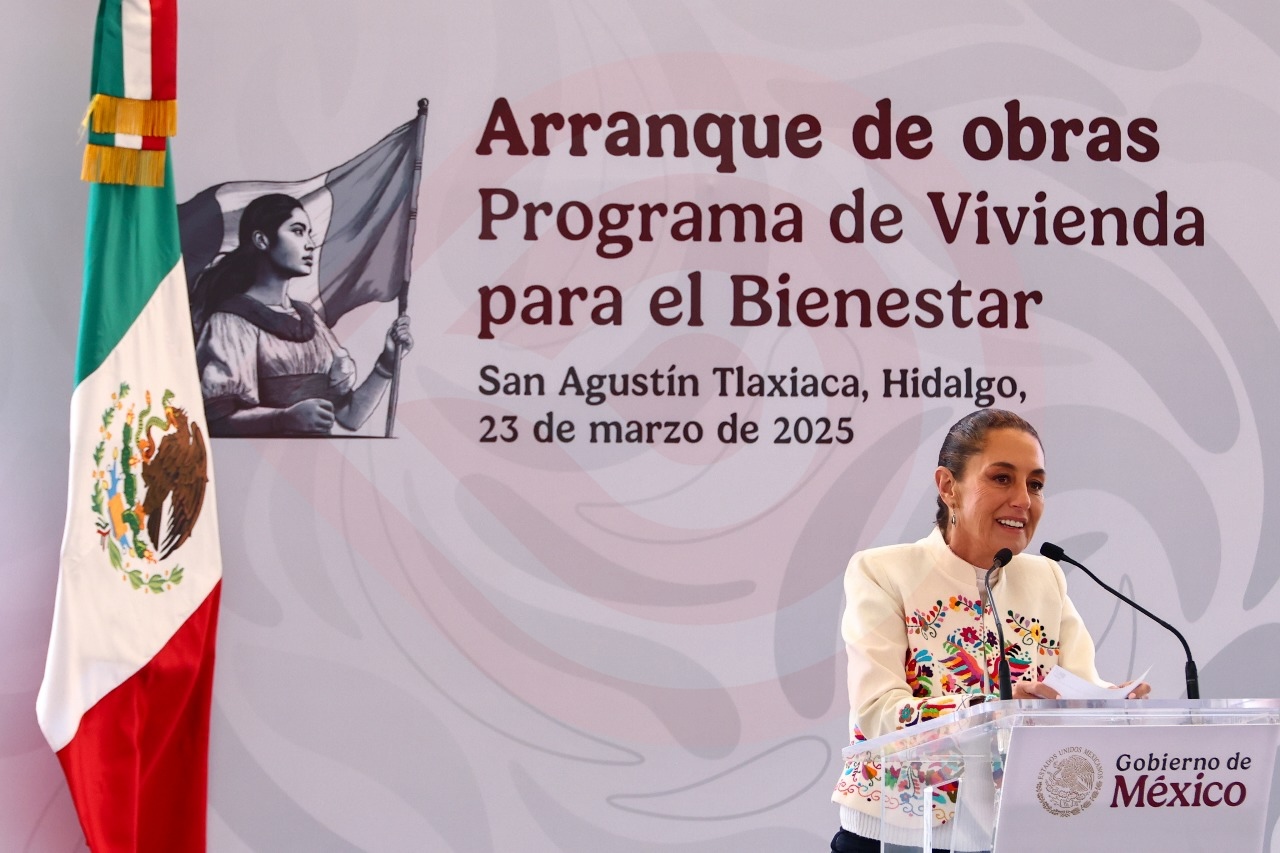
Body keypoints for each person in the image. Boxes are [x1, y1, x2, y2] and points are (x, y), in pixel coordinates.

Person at [829, 409, 1149, 853]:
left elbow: (1076, 688)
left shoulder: (1046, 578)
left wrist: (1110, 704)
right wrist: (992, 710)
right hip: (896, 834)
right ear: (948, 486)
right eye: (1002, 479)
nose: (1023, 500)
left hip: (1015, 833)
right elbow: (879, 711)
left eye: (1035, 484)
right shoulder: (884, 571)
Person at [192, 193, 413, 437]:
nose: (309, 244)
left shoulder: (310, 320)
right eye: (297, 231)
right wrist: (283, 418)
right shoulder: (230, 321)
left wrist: (387, 362)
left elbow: (350, 417)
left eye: (309, 233)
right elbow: (216, 421)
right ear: (262, 240)